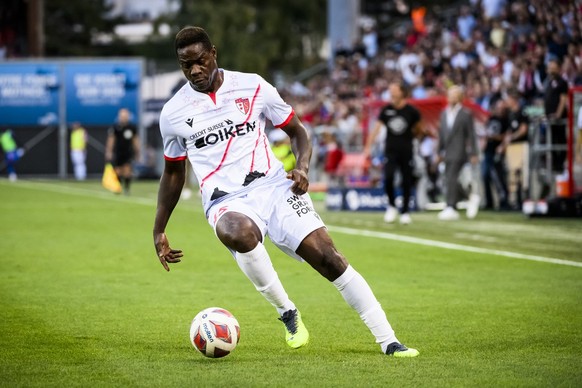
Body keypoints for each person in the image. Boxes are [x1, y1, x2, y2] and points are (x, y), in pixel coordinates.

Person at [153, 26, 418, 358]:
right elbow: (173, 173)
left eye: (200, 61)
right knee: (238, 232)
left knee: (330, 259)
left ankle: (389, 341)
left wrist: (303, 167)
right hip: (226, 200)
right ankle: (287, 312)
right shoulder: (173, 113)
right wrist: (159, 228)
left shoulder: (253, 86)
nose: (194, 70)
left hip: (276, 187)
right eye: (185, 64)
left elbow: (298, 132)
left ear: (213, 53)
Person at [364, 82, 423, 225]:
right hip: (390, 151)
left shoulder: (412, 111)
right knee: (388, 177)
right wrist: (368, 147)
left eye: (394, 90)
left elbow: (419, 129)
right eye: (390, 90)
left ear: (402, 92)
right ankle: (391, 206)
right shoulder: (386, 110)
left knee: (406, 180)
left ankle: (405, 211)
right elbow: (376, 129)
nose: (391, 93)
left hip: (407, 151)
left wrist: (416, 137)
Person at [436, 85, 480, 220]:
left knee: (451, 177)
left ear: (460, 97)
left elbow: (471, 135)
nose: (452, 98)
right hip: (447, 152)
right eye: (450, 95)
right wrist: (439, 152)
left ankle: (451, 206)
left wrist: (473, 153)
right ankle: (470, 197)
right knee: (451, 179)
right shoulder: (444, 113)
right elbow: (442, 135)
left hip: (459, 150)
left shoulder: (465, 114)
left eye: (455, 95)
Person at [481, 100, 510, 210]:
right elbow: (485, 133)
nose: (500, 109)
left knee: (498, 177)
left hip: (497, 151)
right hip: (488, 151)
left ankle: (504, 201)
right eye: (499, 107)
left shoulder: (506, 120)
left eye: (502, 107)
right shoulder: (491, 119)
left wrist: (494, 137)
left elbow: (507, 136)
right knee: (485, 176)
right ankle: (489, 202)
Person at [105, 108, 140, 194]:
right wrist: (109, 151)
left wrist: (137, 151)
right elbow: (111, 140)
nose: (123, 118)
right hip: (118, 152)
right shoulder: (115, 127)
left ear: (128, 117)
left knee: (127, 171)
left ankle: (127, 189)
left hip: (128, 152)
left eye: (125, 116)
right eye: (122, 116)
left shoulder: (132, 128)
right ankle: (119, 187)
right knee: (118, 171)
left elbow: (135, 140)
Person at [504, 89, 530, 208]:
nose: (507, 102)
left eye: (509, 99)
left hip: (521, 145)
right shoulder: (510, 113)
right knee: (513, 174)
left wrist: (512, 137)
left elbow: (523, 130)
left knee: (522, 173)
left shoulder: (522, 113)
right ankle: (516, 201)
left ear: (514, 100)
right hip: (512, 147)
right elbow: (510, 130)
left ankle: (523, 200)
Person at [543, 58, 568, 173]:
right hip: (549, 118)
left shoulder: (562, 82)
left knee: (560, 140)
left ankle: (560, 164)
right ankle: (554, 164)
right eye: (550, 67)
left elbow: (563, 99)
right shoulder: (548, 82)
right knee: (551, 140)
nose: (551, 69)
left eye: (553, 67)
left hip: (558, 118)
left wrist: (558, 114)